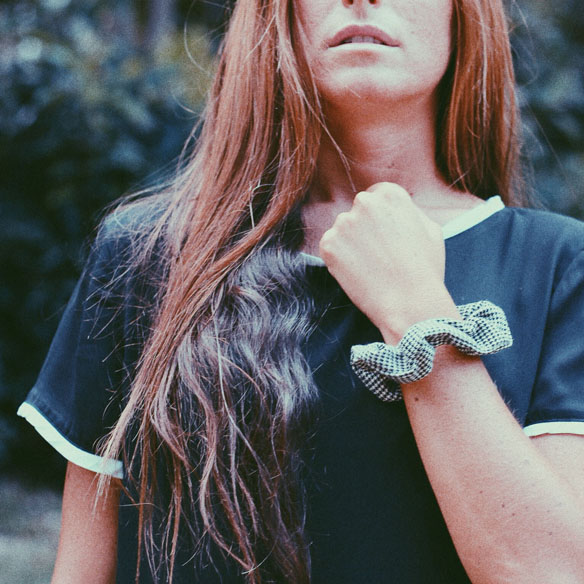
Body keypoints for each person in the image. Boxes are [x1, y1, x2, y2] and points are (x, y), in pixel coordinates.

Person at [17, 0, 584, 582]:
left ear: (463, 15)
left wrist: (417, 311)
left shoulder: (561, 266)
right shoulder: (146, 255)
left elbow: (551, 572)